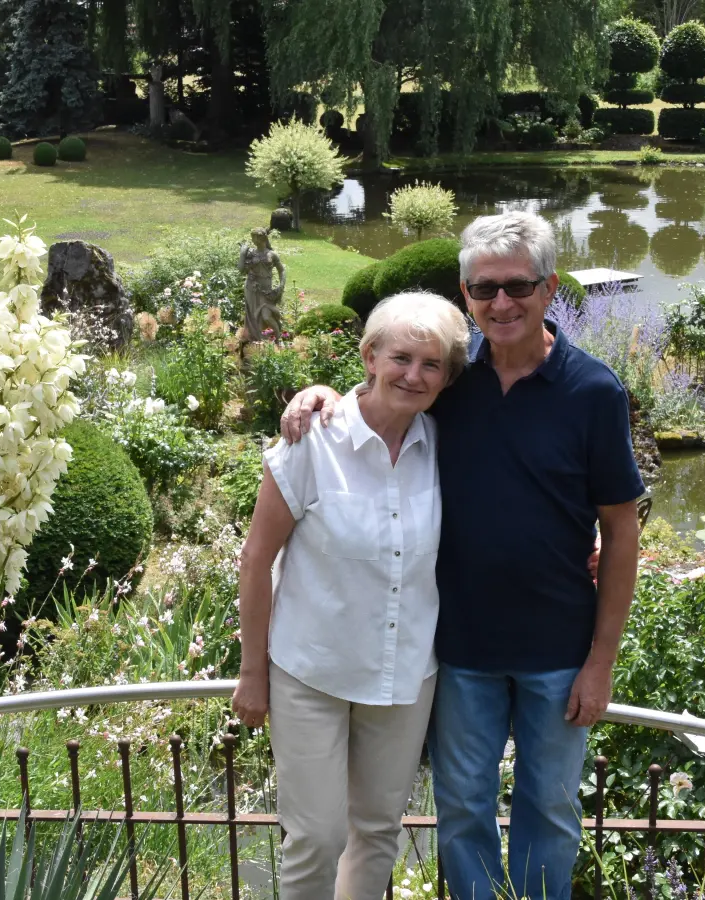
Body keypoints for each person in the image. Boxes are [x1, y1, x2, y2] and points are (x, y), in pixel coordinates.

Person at [279, 211, 644, 900]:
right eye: (483, 290)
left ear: (549, 287)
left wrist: (602, 662)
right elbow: (378, 395)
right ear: (463, 293)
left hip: (559, 648)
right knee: (464, 811)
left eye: (518, 286)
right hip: (461, 650)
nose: (500, 304)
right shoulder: (450, 385)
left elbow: (622, 532)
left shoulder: (593, 391)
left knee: (551, 811)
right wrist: (317, 395)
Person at [232, 291, 471, 900]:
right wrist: (251, 671)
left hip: (404, 675)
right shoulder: (312, 440)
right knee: (314, 835)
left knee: (378, 830)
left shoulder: (446, 445)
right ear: (369, 356)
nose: (413, 375)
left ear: (447, 377)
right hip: (312, 671)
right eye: (400, 357)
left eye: (431, 364)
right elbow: (257, 560)